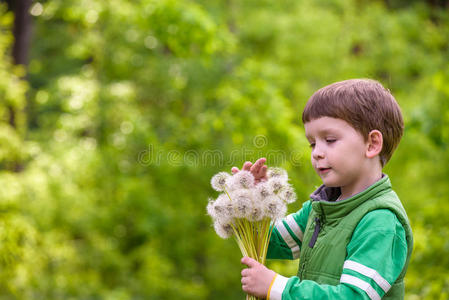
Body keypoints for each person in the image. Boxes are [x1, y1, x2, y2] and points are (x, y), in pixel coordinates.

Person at [231, 79, 413, 300]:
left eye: (329, 139)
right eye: (312, 143)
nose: (316, 152)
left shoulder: (381, 222)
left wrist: (276, 288)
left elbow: (352, 297)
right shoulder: (321, 208)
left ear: (372, 144)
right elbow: (272, 244)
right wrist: (252, 201)